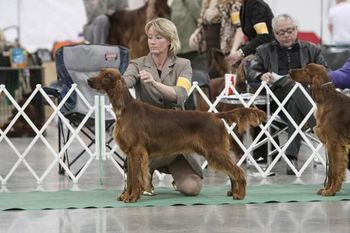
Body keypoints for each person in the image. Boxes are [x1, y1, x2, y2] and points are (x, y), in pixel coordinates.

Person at [122, 18, 203, 195]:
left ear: (170, 40)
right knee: (141, 185)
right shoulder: (137, 64)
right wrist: (114, 80)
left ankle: (166, 174)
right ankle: (140, 175)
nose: (152, 42)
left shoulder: (183, 65)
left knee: (192, 189)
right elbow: (125, 82)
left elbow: (181, 94)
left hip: (177, 136)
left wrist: (154, 83)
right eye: (150, 37)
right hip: (148, 137)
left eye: (158, 37)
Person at [248, 14, 328, 174]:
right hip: (276, 99)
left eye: (290, 31)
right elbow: (251, 70)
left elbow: (326, 72)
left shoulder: (312, 48)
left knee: (294, 103)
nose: (286, 35)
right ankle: (319, 124)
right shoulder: (263, 50)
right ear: (274, 33)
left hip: (307, 97)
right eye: (281, 32)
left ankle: (291, 157)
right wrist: (261, 75)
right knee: (293, 82)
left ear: (296, 30)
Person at [189, 0, 244, 78]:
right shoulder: (206, 2)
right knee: (212, 79)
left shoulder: (232, 3)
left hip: (225, 50)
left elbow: (239, 28)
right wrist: (195, 34)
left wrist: (234, 50)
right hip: (210, 50)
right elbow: (201, 23)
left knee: (226, 80)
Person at [227, 0, 274, 65]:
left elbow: (264, 36)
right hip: (258, 53)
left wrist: (241, 52)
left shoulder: (256, 5)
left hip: (268, 55)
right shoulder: (244, 6)